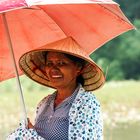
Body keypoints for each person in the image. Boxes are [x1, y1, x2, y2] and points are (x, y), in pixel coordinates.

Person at [8, 37, 105, 140]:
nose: (53, 69)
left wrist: (31, 137)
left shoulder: (87, 104)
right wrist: (27, 132)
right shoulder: (44, 103)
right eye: (49, 64)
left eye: (61, 63)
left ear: (78, 68)